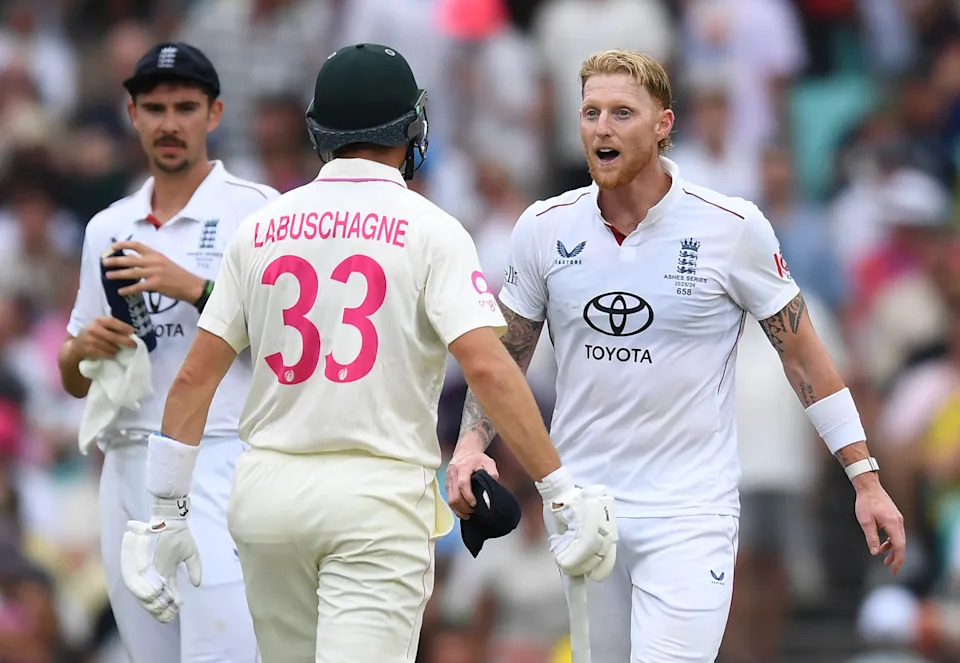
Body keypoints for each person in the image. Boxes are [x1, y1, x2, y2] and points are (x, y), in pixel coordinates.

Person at [118, 43, 617, 663]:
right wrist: (559, 488)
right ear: (412, 128)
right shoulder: (433, 229)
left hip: (267, 496)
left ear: (319, 132)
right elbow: (488, 365)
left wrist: (165, 510)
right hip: (375, 500)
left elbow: (194, 378)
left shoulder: (263, 227)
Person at [446, 48, 907, 663]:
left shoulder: (731, 226)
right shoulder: (543, 227)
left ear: (663, 125)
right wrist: (471, 444)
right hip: (582, 506)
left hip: (690, 511)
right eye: (589, 112)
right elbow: (506, 355)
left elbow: (803, 357)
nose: (601, 128)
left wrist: (865, 480)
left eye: (621, 113)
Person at [58, 42, 279, 662]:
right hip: (126, 459)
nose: (170, 123)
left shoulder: (254, 210)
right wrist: (82, 350)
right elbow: (75, 378)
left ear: (215, 113)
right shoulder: (109, 226)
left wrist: (194, 286)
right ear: (132, 115)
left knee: (224, 650)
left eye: (186, 107)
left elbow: (286, 342)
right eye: (154, 108)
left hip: (219, 451)